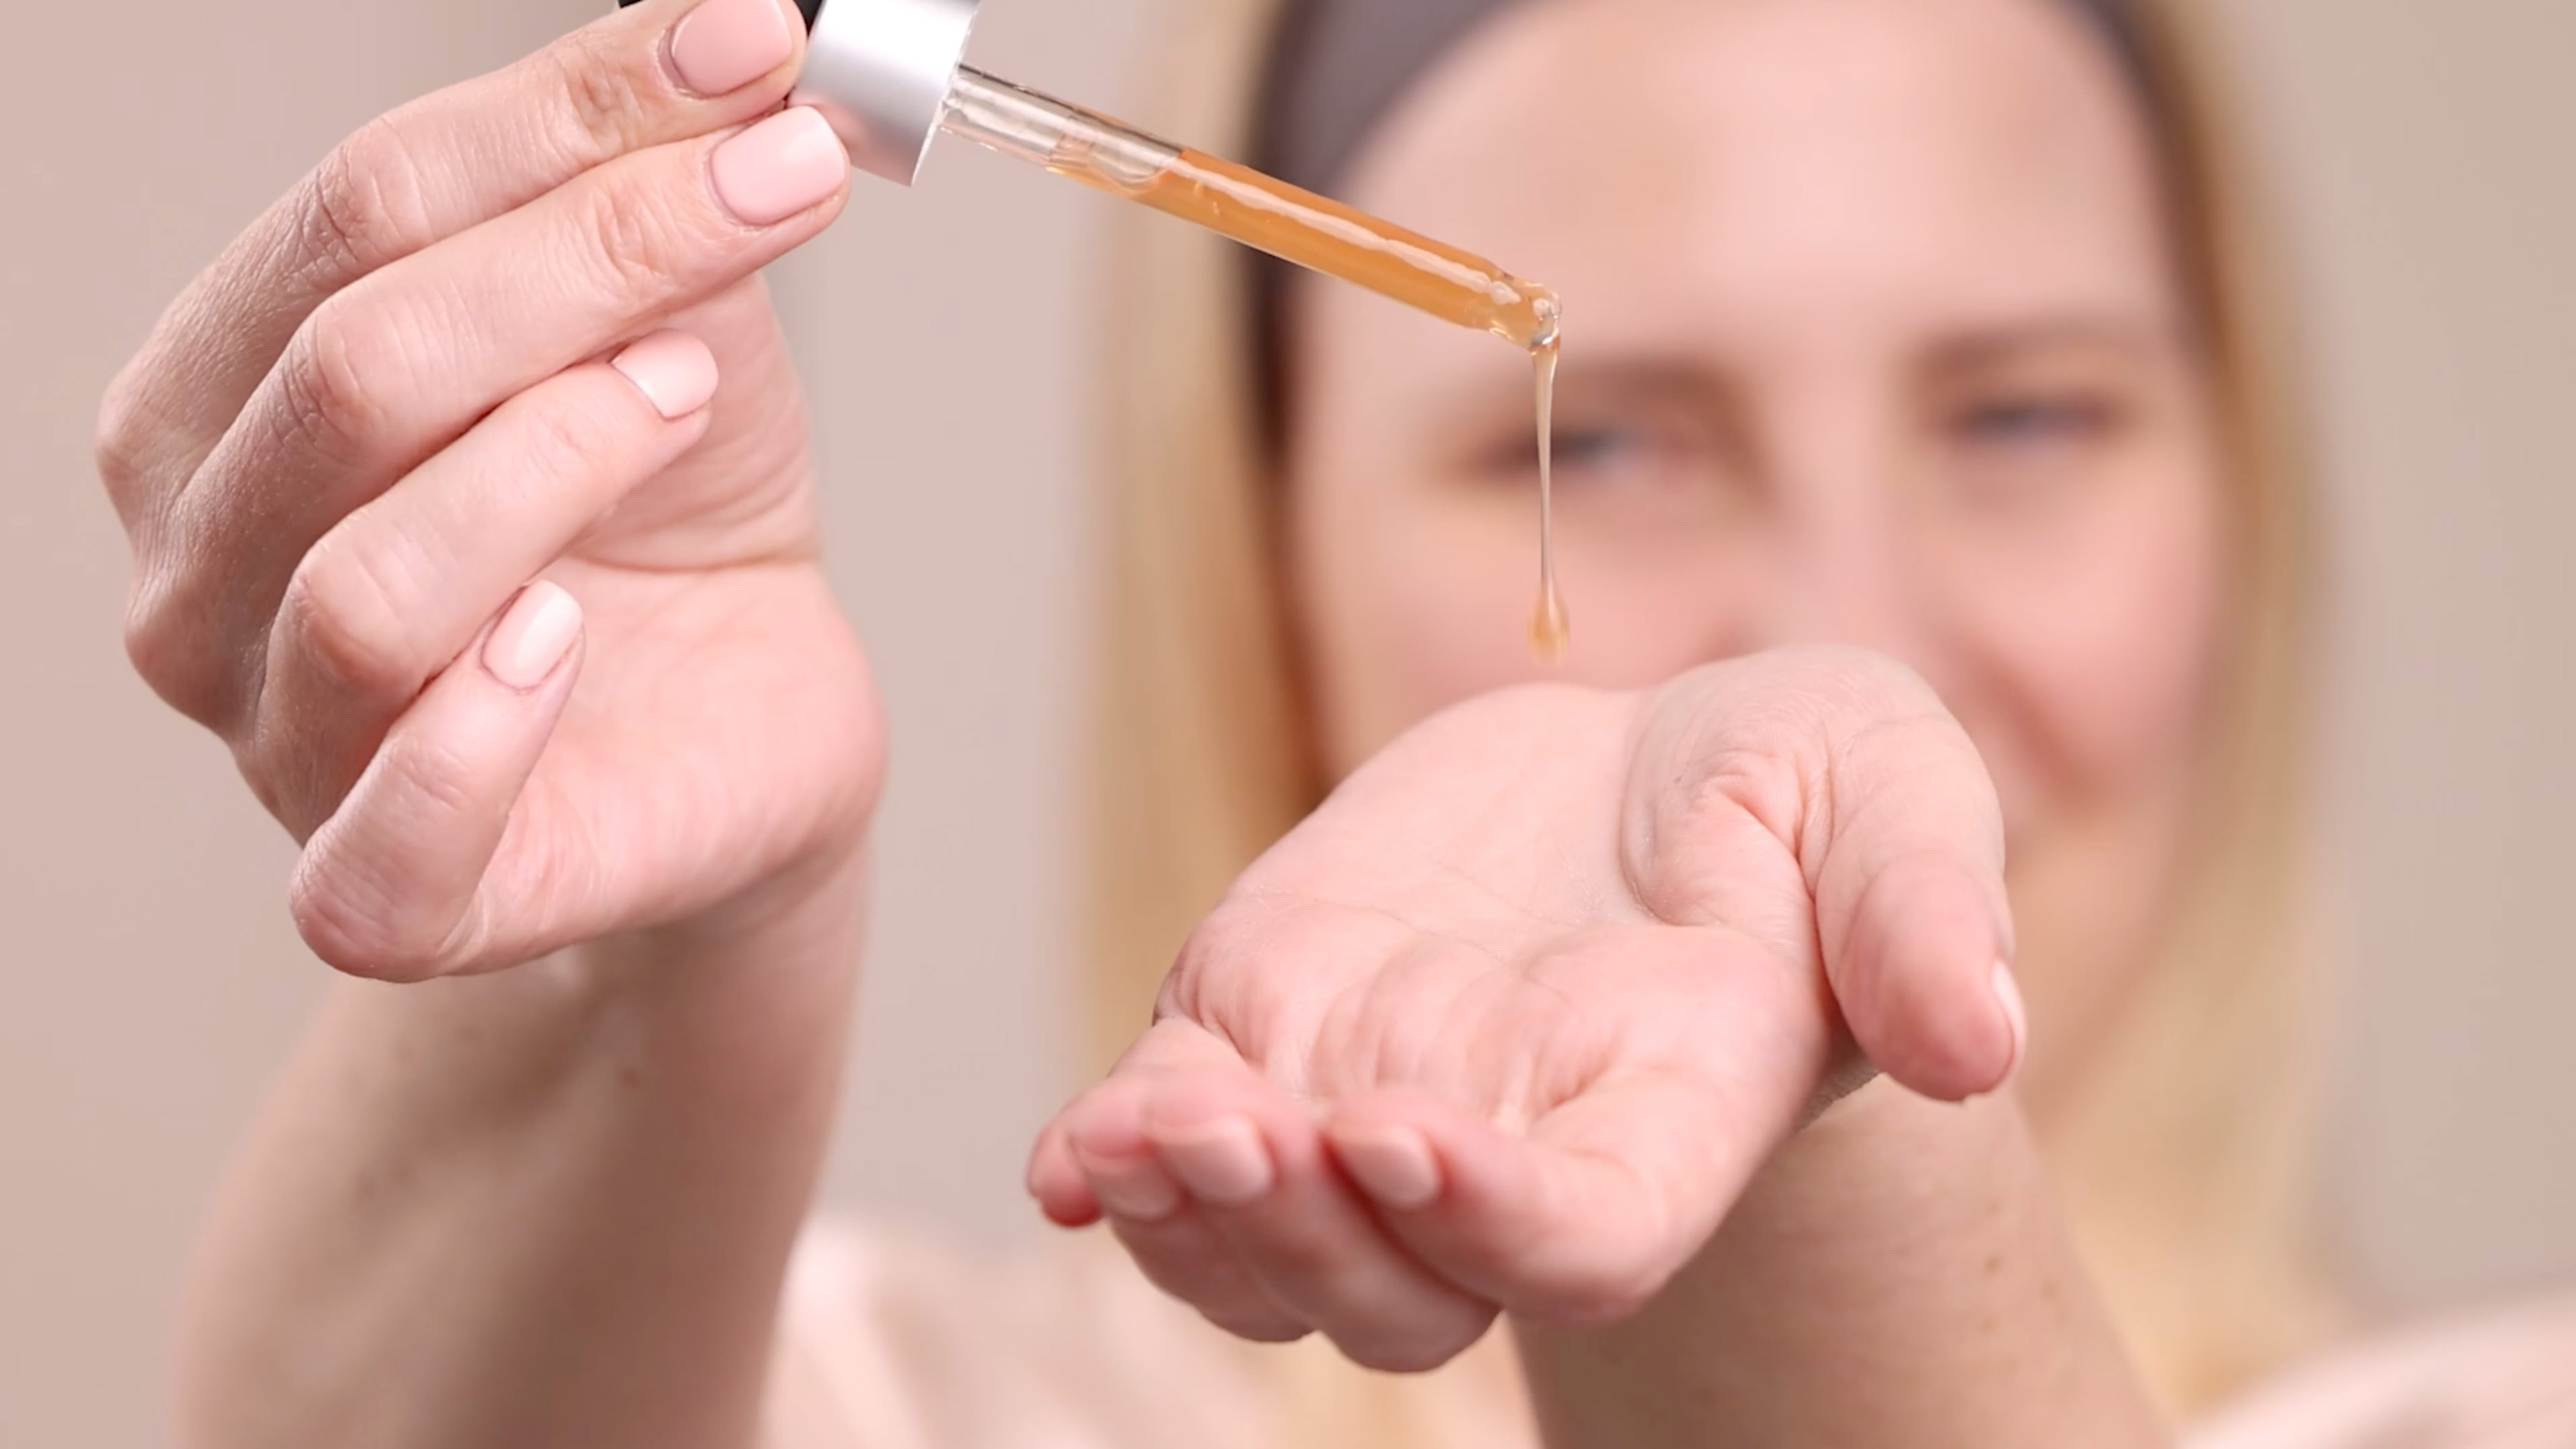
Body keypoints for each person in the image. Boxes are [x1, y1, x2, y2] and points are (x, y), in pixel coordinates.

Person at [92, 0, 2573, 1446]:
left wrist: (1795, 1153)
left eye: (2025, 415)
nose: (1852, 623)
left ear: (2247, 492)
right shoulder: (895, 1405)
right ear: (1257, 553)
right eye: (1602, 439)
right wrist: (645, 941)